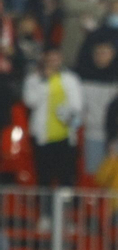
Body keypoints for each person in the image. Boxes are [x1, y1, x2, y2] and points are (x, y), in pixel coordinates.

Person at [23, 49, 83, 189]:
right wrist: (44, 81)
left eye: (56, 58)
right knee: (44, 176)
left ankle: (66, 209)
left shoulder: (70, 79)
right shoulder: (33, 80)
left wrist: (66, 114)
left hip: (65, 136)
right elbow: (30, 101)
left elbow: (77, 105)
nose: (53, 62)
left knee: (66, 175)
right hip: (43, 137)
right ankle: (45, 209)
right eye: (50, 59)